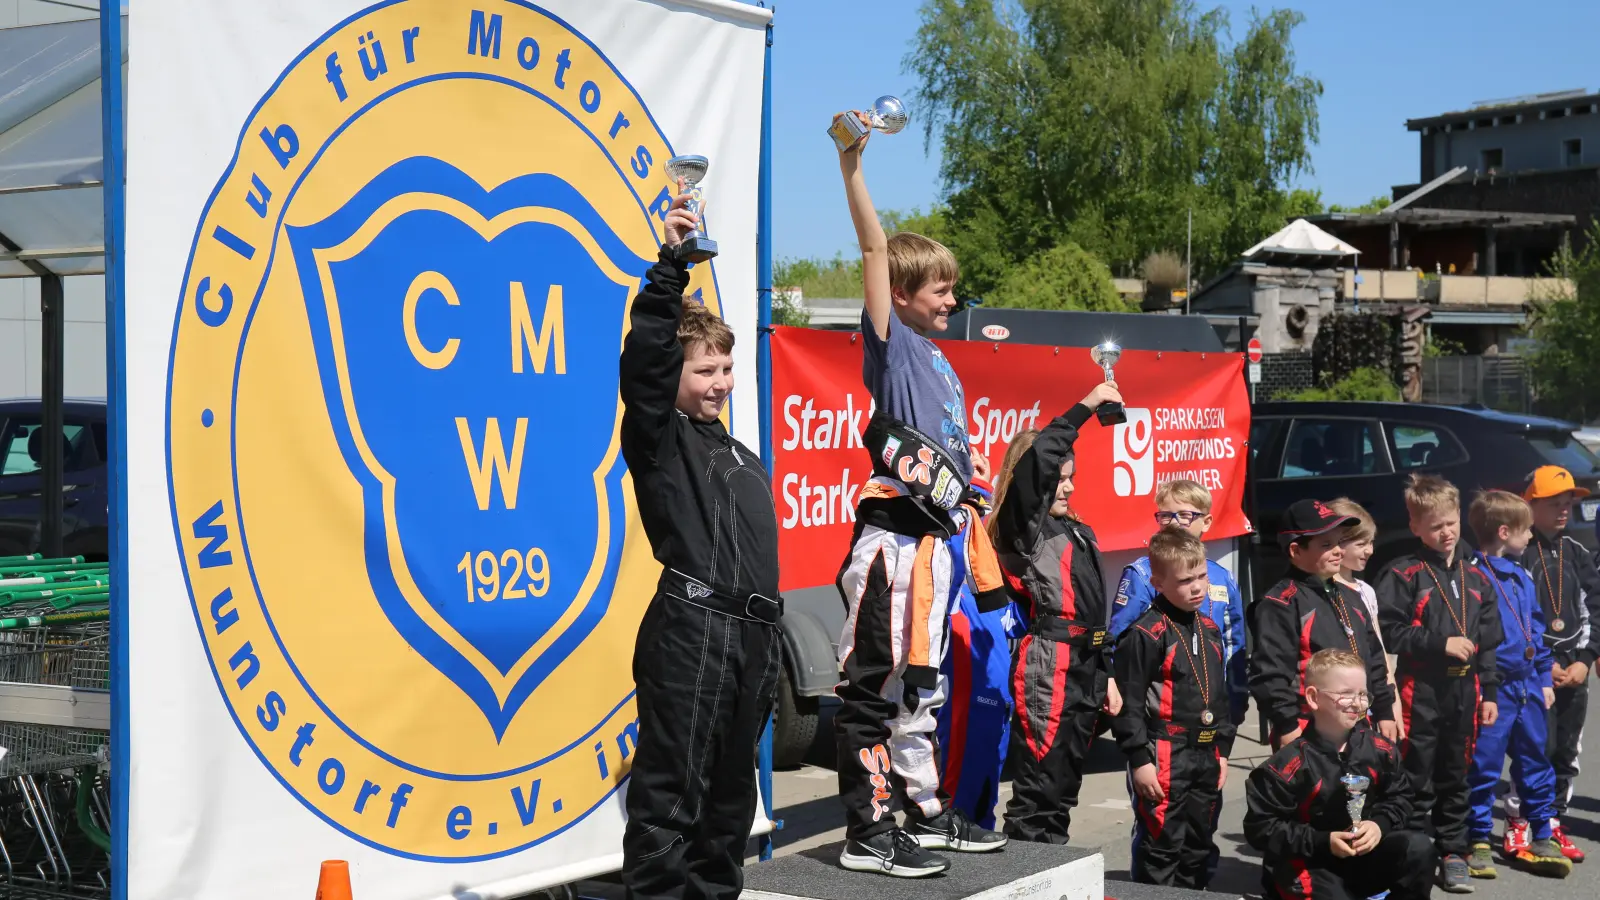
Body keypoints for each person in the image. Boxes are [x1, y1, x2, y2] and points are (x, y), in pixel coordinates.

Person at [831, 110, 1007, 877]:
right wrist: (852, 167)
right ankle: (867, 833)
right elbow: (873, 246)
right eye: (940, 288)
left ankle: (922, 811)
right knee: (872, 686)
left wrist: (971, 486)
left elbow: (944, 455)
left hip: (936, 547)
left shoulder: (938, 356)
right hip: (890, 546)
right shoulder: (893, 344)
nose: (950, 299)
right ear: (899, 296)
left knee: (922, 690)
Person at [618, 186, 781, 900]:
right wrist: (670, 268)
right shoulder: (660, 440)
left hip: (753, 644)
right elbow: (645, 365)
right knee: (671, 808)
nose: (719, 383)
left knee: (727, 817)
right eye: (703, 371)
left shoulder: (742, 457)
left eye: (725, 369)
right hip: (691, 635)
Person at [993, 388, 1123, 844]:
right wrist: (1085, 406)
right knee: (1040, 789)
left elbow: (1093, 613)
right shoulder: (1025, 525)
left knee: (1064, 789)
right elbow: (1038, 462)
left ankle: (1054, 876)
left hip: (1085, 666)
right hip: (1050, 663)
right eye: (1058, 478)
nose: (1067, 486)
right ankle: (1027, 878)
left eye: (1072, 477)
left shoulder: (1076, 528)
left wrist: (1105, 672)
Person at [1375, 474, 1503, 894]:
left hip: (1466, 691)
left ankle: (1452, 850)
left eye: (1450, 522)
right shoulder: (1403, 573)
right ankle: (1414, 849)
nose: (1445, 532)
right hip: (1420, 690)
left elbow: (1488, 641)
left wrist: (1491, 690)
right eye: (1435, 526)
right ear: (1415, 527)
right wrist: (1438, 642)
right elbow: (1389, 631)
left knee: (1456, 771)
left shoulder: (1478, 577)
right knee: (1416, 773)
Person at [1244, 649, 1434, 900]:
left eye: (1363, 694)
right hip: (1310, 863)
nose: (1357, 703)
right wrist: (1324, 841)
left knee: (1419, 849)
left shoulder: (1380, 750)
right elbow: (1261, 829)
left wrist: (1379, 825)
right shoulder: (1287, 766)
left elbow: (1400, 797)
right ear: (1313, 697)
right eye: (1345, 694)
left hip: (1362, 859)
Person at [1114, 528, 1233, 888]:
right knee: (1161, 844)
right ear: (1158, 582)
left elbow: (1221, 697)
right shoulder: (1146, 634)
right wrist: (1139, 759)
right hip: (1164, 753)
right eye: (1184, 581)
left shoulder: (1210, 628)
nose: (1196, 588)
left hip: (1206, 752)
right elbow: (1128, 703)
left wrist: (1223, 750)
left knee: (1199, 844)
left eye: (1201, 577)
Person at [1464, 490, 1570, 879]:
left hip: (1528, 685)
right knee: (1484, 765)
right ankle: (1476, 837)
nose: (1530, 539)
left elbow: (1536, 631)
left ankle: (1542, 830)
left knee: (1535, 760)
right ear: (1505, 532)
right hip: (1495, 688)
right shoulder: (1475, 576)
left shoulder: (1523, 576)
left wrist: (1543, 676)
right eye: (1525, 532)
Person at [936, 434, 1032, 831]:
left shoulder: (994, 520)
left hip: (994, 673)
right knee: (958, 789)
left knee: (986, 788)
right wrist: (973, 491)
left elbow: (1011, 598)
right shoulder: (952, 519)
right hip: (965, 662)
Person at [1250, 499, 1398, 750]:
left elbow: (1374, 658)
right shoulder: (1281, 603)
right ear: (1296, 551)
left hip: (1359, 724)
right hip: (1309, 729)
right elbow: (1270, 675)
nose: (1339, 551)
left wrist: (1384, 710)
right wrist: (1287, 726)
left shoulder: (1351, 596)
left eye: (1340, 542)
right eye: (1327, 545)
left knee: (1359, 789)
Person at [1507, 464, 1600, 862]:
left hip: (1573, 669)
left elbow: (1594, 608)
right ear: (1531, 505)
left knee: (1565, 750)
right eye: (1554, 503)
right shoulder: (1520, 554)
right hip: (1535, 671)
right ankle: (1520, 821)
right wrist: (1540, 666)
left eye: (1568, 503)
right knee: (1533, 747)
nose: (1564, 511)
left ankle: (1555, 821)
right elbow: (1516, 616)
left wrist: (1586, 658)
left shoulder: (1578, 553)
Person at [1111, 479, 1249, 725]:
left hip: (1211, 706)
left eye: (1185, 515)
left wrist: (1236, 698)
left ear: (1206, 522)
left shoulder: (1221, 577)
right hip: (1161, 710)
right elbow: (1122, 642)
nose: (1174, 523)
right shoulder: (1143, 574)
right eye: (1165, 516)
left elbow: (1233, 642)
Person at [1327, 498, 1404, 732]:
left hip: (1369, 699)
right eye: (1361, 544)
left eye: (1371, 542)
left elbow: (1379, 651)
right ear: (1339, 544)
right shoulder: (1321, 590)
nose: (1370, 551)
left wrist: (1393, 701)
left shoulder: (1366, 591)